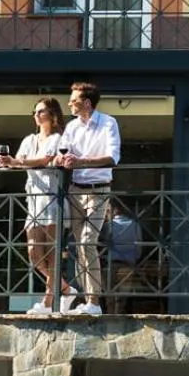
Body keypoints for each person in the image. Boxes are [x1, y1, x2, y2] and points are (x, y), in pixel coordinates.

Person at [0, 96, 73, 315]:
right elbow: (19, 161)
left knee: (51, 252)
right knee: (33, 253)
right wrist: (6, 163)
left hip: (51, 197)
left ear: (53, 115)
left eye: (41, 111)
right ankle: (66, 290)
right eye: (35, 112)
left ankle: (48, 302)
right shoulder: (30, 139)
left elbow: (45, 160)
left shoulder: (59, 138)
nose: (36, 115)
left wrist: (15, 162)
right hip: (34, 199)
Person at [57, 81, 121, 317]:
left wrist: (81, 162)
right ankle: (86, 300)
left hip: (98, 189)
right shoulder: (72, 126)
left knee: (86, 242)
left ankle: (94, 301)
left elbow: (113, 158)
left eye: (73, 100)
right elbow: (63, 151)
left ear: (86, 103)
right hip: (75, 189)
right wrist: (59, 160)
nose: (69, 104)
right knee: (78, 245)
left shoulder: (108, 123)